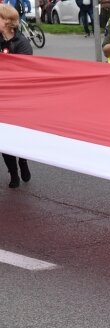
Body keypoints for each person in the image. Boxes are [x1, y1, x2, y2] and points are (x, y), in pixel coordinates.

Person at [0, 3, 33, 189]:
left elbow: (28, 72)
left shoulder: (22, 44)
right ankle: (13, 173)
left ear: (6, 21)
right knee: (4, 138)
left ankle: (23, 161)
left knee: (19, 137)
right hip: (2, 99)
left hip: (20, 100)